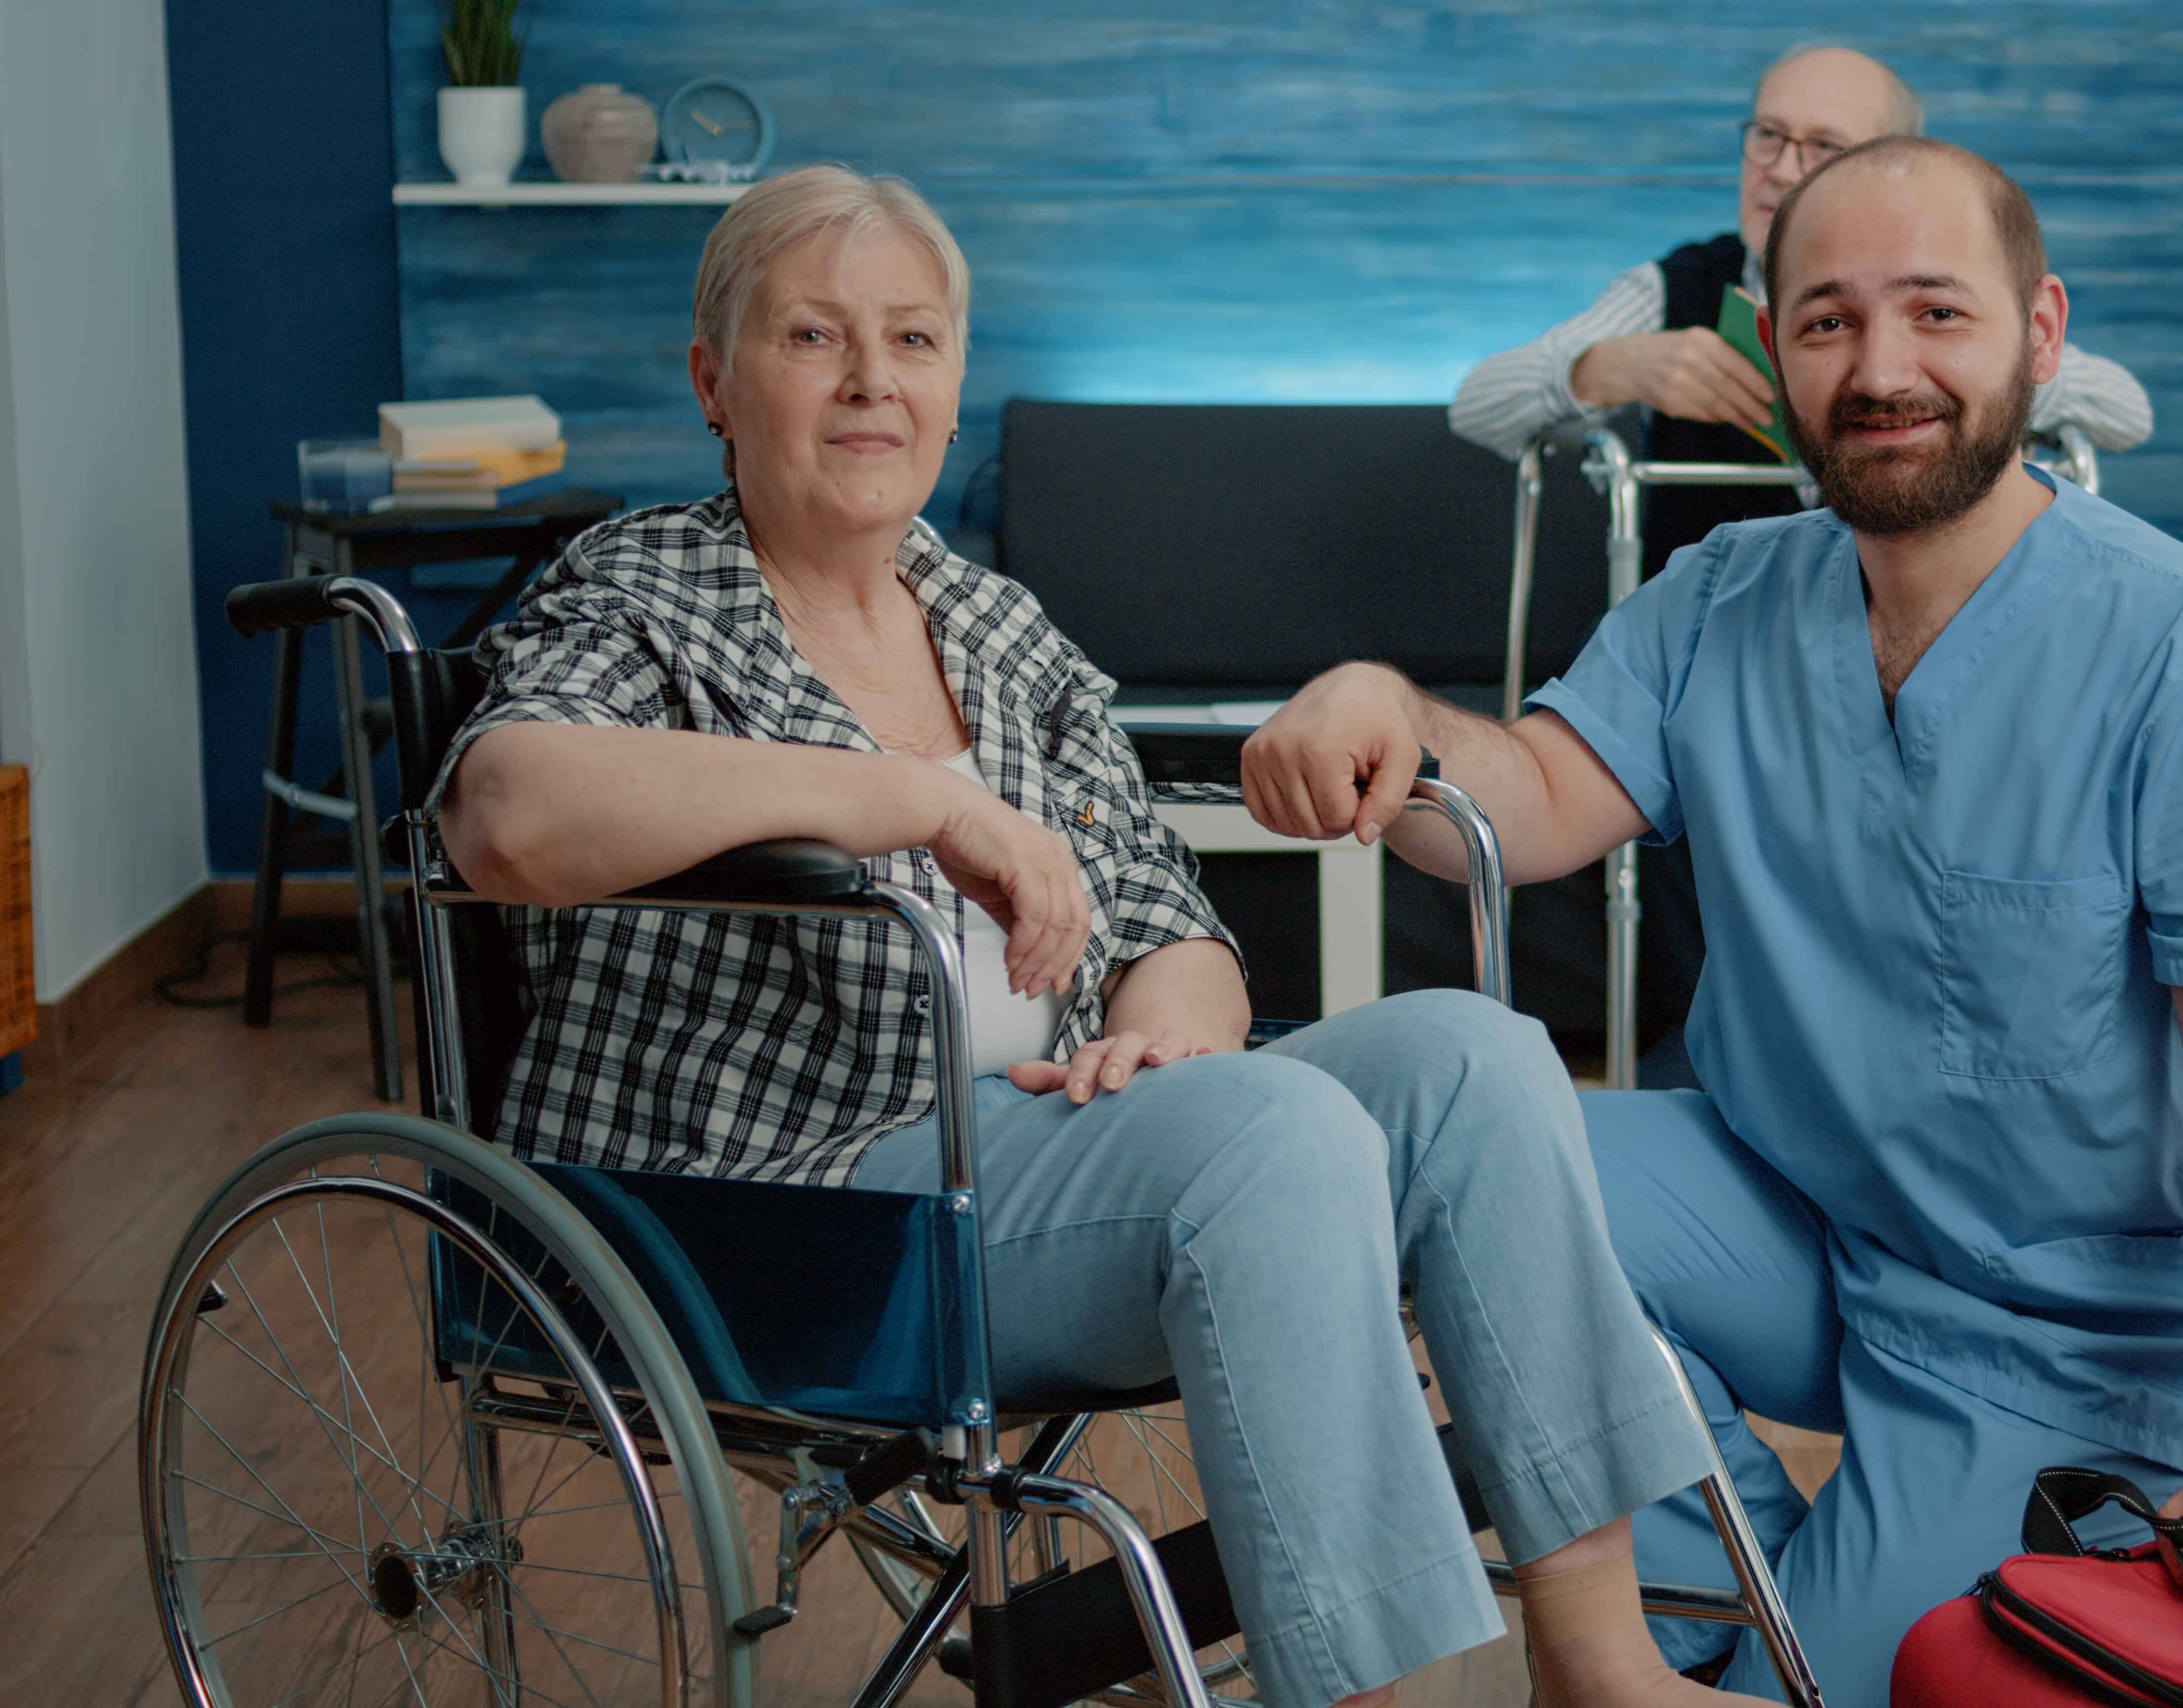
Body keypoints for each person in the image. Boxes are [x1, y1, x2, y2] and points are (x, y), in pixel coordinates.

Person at [431, 164, 1741, 1708]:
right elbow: (505, 809)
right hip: (781, 1214)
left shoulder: (995, 625)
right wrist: (905, 801)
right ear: (716, 380)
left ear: (953, 375)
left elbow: (1168, 921)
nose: (872, 383)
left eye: (913, 342)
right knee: (1274, 1137)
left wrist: (1171, 1043)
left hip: (1035, 1158)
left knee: (1477, 1056)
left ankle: (1603, 1666)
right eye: (814, 340)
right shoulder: (652, 589)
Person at [1250, 137, 2183, 1708]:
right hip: (1793, 1225)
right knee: (1471, 1149)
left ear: (2041, 336)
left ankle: (1768, 1635)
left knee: (1841, 1691)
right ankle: (1694, 1615)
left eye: (1936, 315)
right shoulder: (1724, 599)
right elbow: (1528, 795)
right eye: (1830, 321)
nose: (1882, 368)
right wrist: (1385, 713)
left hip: (2059, 1334)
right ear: (1775, 355)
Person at [1450, 44, 2154, 1073]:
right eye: (1768, 137)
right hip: (1733, 681)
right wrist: (1613, 365)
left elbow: (2124, 409)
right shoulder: (1678, 288)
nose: (1783, 168)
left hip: (1921, 673)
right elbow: (1480, 400)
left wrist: (1929, 380)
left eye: (1823, 146)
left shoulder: (1933, 314)